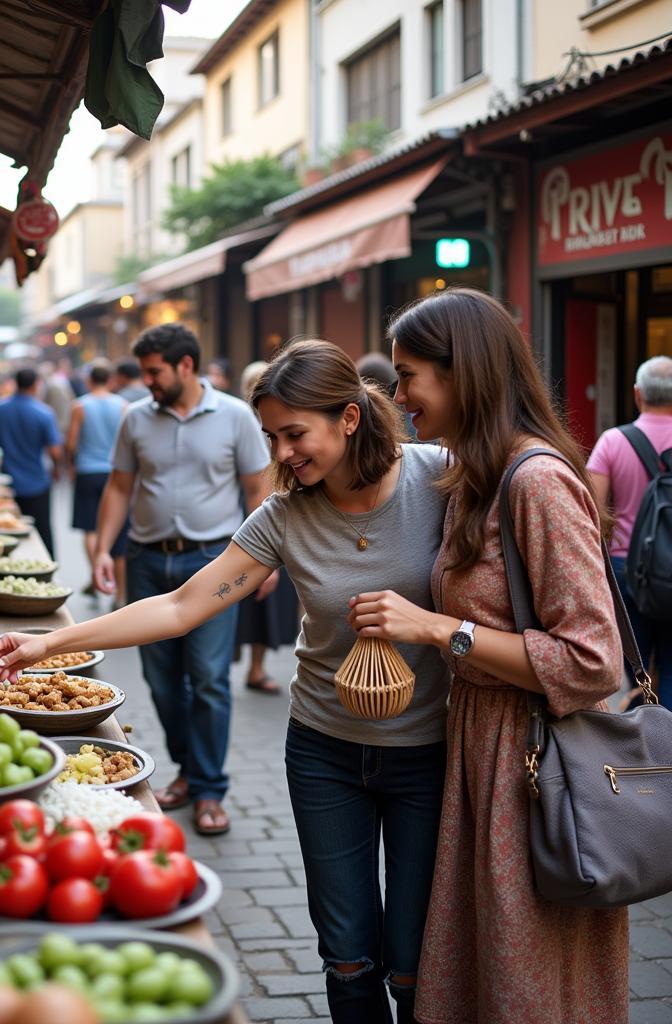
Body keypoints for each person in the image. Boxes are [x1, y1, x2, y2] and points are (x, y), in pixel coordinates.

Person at [0, 337, 451, 1022]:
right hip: (324, 751)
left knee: (415, 963)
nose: (282, 454)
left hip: (427, 754)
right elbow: (180, 606)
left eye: (296, 434)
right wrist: (48, 642)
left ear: (349, 418)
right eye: (271, 437)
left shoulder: (439, 479)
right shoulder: (286, 515)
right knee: (348, 956)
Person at [348, 287, 628, 1024]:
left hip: (535, 763)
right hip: (484, 751)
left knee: (525, 976)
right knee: (488, 969)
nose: (398, 393)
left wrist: (442, 632)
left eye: (410, 376)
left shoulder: (536, 481)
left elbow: (594, 658)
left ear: (463, 371)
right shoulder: (478, 474)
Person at [84, 323, 272, 836]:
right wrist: (103, 548)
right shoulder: (134, 419)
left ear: (185, 365)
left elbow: (258, 490)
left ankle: (210, 788)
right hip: (147, 561)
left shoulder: (235, 415)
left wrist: (266, 561)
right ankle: (189, 771)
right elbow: (119, 488)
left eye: (154, 372)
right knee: (162, 683)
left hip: (216, 562)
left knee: (209, 679)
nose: (146, 382)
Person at [587, 354, 672, 706]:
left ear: (638, 394)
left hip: (626, 572)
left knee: (636, 668)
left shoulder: (612, 442)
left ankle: (644, 741)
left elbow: (592, 510)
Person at [233, 360, 299, 694]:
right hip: (253, 527)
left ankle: (255, 668)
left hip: (270, 527)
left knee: (263, 606)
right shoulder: (243, 425)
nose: (283, 450)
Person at [65, 360, 128, 604]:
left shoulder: (80, 406)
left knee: (91, 528)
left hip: (87, 472)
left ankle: (97, 576)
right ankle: (121, 594)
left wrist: (71, 464)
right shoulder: (123, 405)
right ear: (111, 380)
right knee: (119, 534)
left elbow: (71, 442)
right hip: (115, 473)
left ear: (89, 380)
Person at [0, 367, 63, 555]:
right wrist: (57, 468)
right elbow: (55, 450)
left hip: (4, 484)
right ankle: (48, 570)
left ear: (15, 383)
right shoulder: (44, 413)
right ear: (36, 385)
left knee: (2, 533)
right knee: (42, 531)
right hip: (36, 482)